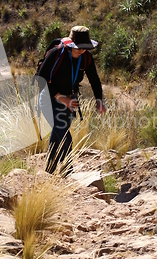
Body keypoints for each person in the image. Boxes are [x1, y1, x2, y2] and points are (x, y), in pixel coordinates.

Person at [38, 25, 106, 175]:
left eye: (85, 47)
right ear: (71, 44)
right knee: (66, 139)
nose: (82, 50)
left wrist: (99, 100)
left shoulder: (86, 57)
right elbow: (40, 79)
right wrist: (61, 98)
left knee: (58, 136)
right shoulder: (57, 54)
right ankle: (67, 175)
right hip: (49, 99)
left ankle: (48, 173)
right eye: (79, 47)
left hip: (69, 102)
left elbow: (94, 80)